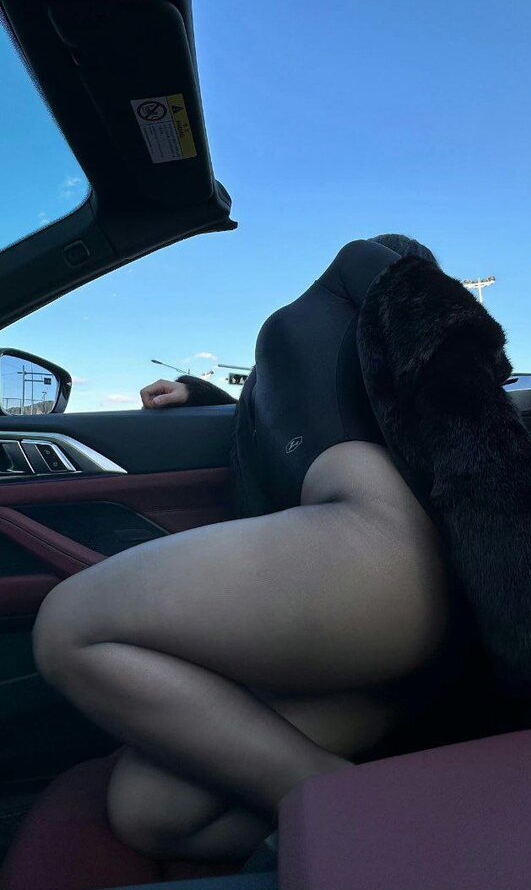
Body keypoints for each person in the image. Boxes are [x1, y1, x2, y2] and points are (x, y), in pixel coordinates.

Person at [31, 235, 450, 866]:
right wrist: (202, 397)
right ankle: (372, 800)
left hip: (383, 547)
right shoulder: (300, 371)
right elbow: (295, 415)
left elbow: (452, 372)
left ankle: (367, 818)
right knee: (149, 815)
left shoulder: (376, 315)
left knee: (70, 625)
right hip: (363, 639)